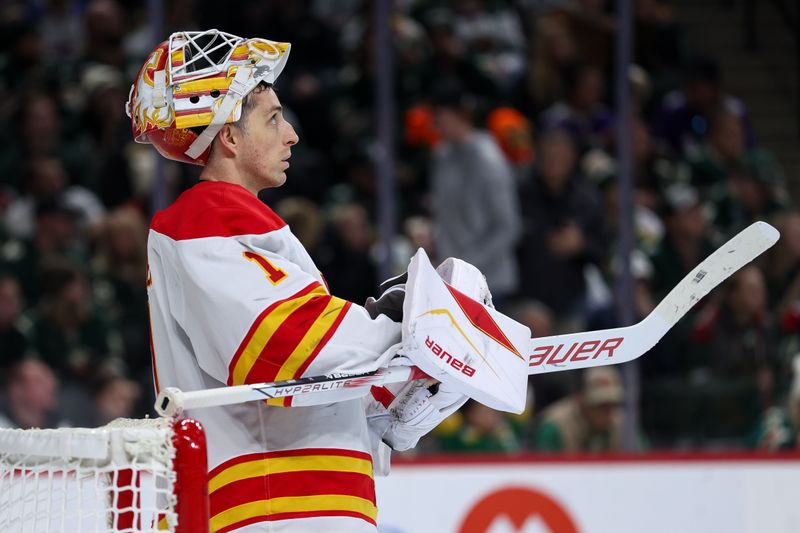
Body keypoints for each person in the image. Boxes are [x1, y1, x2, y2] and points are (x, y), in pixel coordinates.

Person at [127, 30, 467, 532]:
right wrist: (410, 332)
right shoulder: (208, 216)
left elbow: (310, 388)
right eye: (273, 118)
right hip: (278, 507)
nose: (291, 134)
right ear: (229, 137)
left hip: (297, 505)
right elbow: (284, 346)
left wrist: (402, 391)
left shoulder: (231, 225)